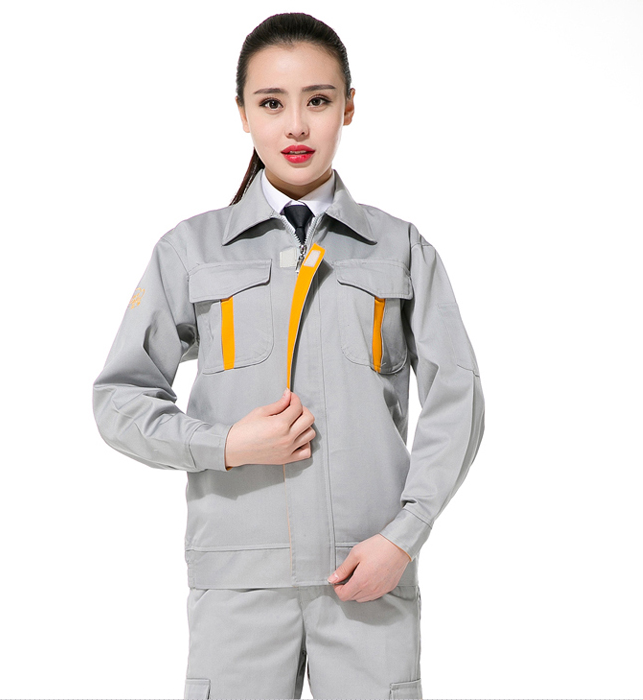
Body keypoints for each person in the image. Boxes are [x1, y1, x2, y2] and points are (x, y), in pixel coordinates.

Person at [92, 11, 485, 700]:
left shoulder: (401, 249)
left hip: (367, 573)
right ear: (242, 112)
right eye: (272, 103)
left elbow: (458, 399)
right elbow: (119, 400)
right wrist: (226, 445)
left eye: (318, 100)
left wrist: (404, 536)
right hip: (239, 583)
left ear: (349, 107)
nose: (296, 126)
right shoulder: (190, 251)